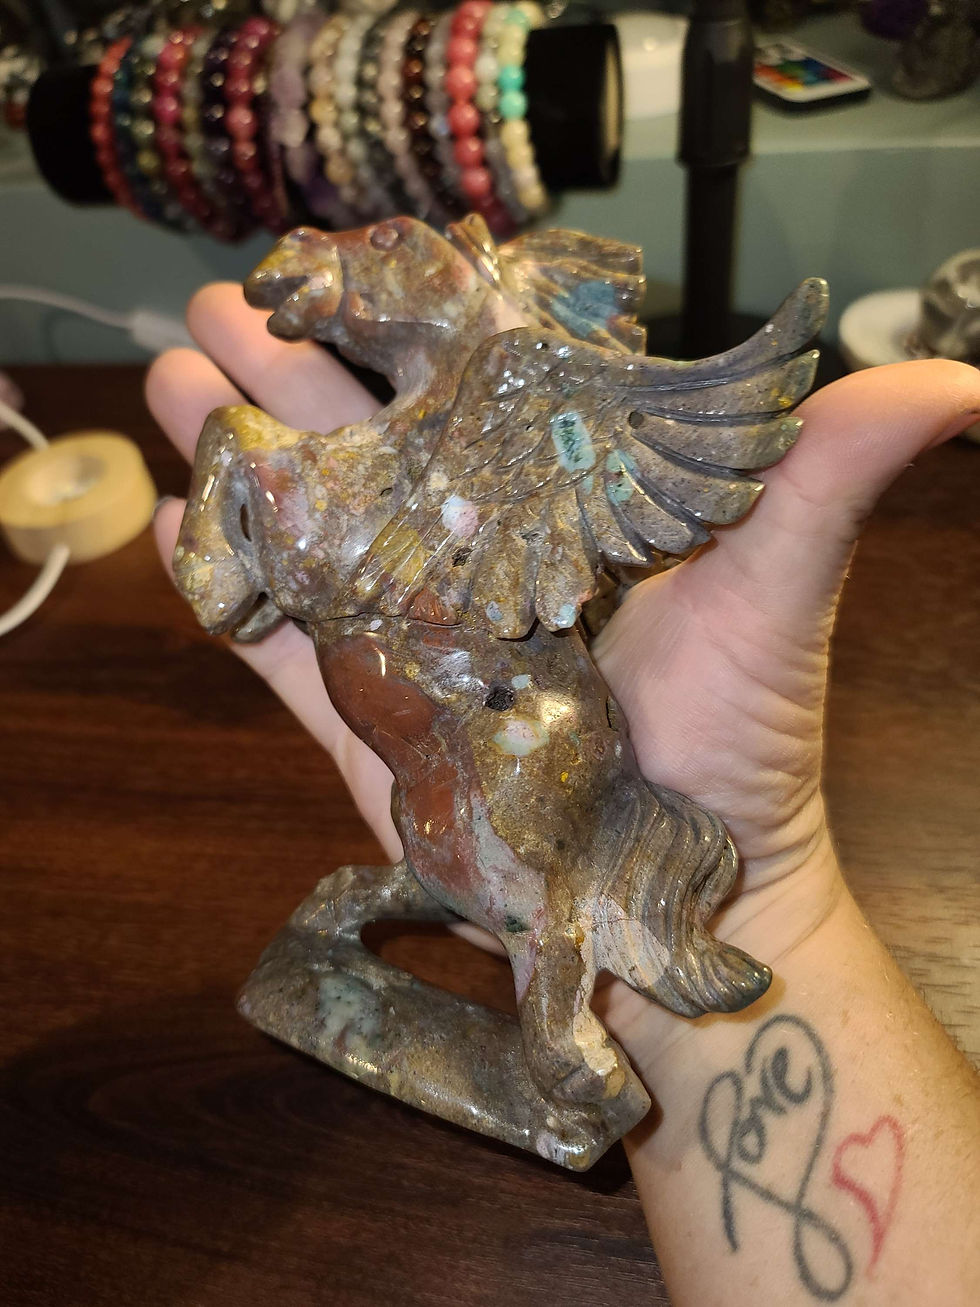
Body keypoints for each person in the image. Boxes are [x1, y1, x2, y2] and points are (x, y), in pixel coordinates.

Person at [149, 282, 980, 1307]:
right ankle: (522, 998)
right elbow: (233, 579)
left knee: (514, 871)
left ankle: (557, 1027)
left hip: (511, 729)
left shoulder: (502, 412)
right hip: (434, 753)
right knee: (439, 849)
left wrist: (771, 910)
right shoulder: (366, 455)